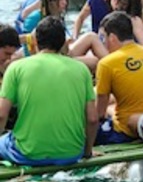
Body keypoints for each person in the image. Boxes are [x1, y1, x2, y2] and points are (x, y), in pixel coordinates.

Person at [0, 17, 96, 166]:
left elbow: (1, 115)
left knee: (4, 141)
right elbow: (92, 119)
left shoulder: (16, 68)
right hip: (71, 153)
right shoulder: (82, 70)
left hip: (28, 154)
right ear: (64, 43)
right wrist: (87, 152)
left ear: (36, 43)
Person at [94, 12, 143, 144]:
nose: (103, 43)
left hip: (127, 131)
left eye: (102, 38)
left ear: (112, 37)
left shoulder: (106, 63)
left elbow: (99, 113)